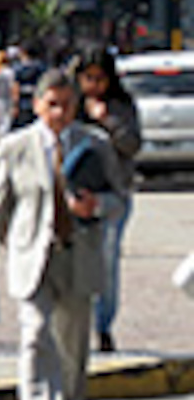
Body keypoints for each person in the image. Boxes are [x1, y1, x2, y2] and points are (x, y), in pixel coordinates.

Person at [0, 70, 125, 400]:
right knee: (34, 332)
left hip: (78, 255)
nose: (59, 112)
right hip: (33, 254)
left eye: (66, 105)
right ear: (38, 105)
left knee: (72, 344)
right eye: (52, 104)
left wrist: (96, 206)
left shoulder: (95, 144)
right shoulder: (15, 147)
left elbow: (119, 197)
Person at [73, 45, 142, 352]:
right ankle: (75, 324)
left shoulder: (121, 106)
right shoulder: (70, 103)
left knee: (106, 261)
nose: (94, 85)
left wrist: (108, 121)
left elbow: (132, 144)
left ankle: (103, 327)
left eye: (100, 79)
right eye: (88, 78)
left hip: (112, 195)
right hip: (75, 193)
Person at [11, 41, 47, 130]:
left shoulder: (18, 68)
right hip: (37, 98)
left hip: (23, 101)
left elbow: (15, 87)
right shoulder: (40, 66)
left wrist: (14, 105)